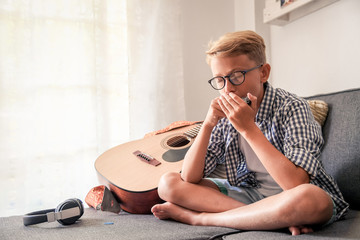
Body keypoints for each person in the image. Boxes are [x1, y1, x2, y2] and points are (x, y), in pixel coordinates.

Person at [151, 30, 349, 235]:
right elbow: (190, 177)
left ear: (263, 73)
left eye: (236, 76)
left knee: (309, 199)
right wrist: (208, 124)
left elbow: (295, 184)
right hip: (248, 194)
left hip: (291, 196)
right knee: (168, 183)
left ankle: (201, 218)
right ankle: (269, 219)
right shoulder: (224, 114)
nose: (227, 88)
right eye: (219, 79)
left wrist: (248, 129)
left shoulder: (292, 108)